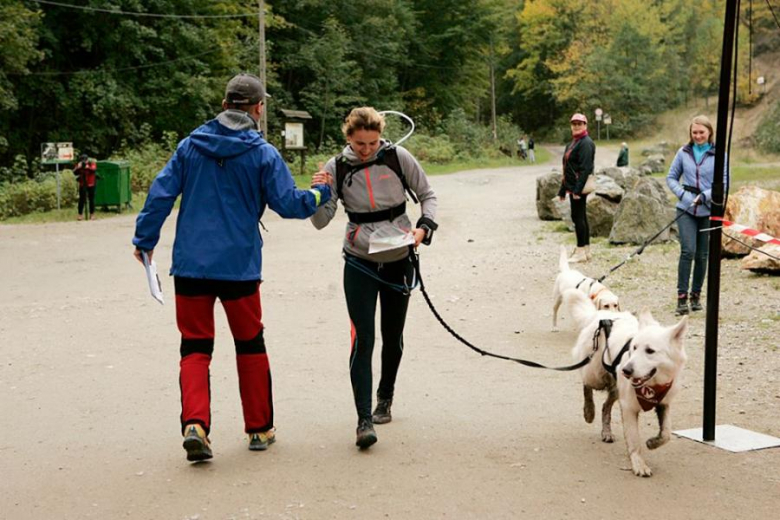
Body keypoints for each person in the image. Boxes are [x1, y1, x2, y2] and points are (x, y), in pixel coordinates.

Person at [132, 73, 332, 462]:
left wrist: (145, 241)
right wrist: (320, 191)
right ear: (258, 109)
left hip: (191, 265)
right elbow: (289, 204)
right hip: (239, 267)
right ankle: (259, 429)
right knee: (249, 343)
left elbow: (160, 193)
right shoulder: (263, 154)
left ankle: (195, 425)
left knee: (194, 346)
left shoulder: (190, 147)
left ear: (224, 106)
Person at [310, 107, 438, 449]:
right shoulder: (336, 166)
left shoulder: (398, 157)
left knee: (392, 335)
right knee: (363, 339)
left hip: (399, 257)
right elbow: (320, 221)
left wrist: (424, 227)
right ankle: (363, 420)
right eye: (360, 143)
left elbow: (428, 195)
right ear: (348, 138)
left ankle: (385, 398)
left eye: (372, 142)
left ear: (380, 136)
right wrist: (318, 194)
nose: (366, 149)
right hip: (359, 261)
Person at [666, 115, 727, 316]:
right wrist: (684, 195)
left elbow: (724, 183)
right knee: (688, 251)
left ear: (709, 132)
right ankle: (681, 297)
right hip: (686, 210)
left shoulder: (720, 155)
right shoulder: (683, 152)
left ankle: (696, 295)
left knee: (702, 255)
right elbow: (671, 177)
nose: (698, 136)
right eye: (695, 132)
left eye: (702, 132)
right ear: (690, 134)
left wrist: (705, 196)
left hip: (708, 211)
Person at [558, 113, 596, 263]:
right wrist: (563, 190)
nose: (576, 126)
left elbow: (586, 168)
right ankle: (585, 250)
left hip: (578, 187)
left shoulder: (586, 143)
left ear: (585, 125)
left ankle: (581, 250)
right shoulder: (573, 143)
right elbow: (567, 168)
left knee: (578, 217)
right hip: (573, 186)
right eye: (574, 123)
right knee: (580, 216)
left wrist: (577, 190)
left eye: (580, 123)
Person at [73, 153, 97, 220]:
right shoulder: (79, 164)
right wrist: (78, 167)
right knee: (81, 199)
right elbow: (74, 172)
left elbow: (94, 170)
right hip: (82, 183)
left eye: (85, 160)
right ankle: (80, 215)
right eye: (82, 160)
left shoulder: (91, 163)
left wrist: (87, 167)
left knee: (91, 199)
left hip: (91, 183)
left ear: (87, 160)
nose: (84, 162)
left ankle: (92, 214)